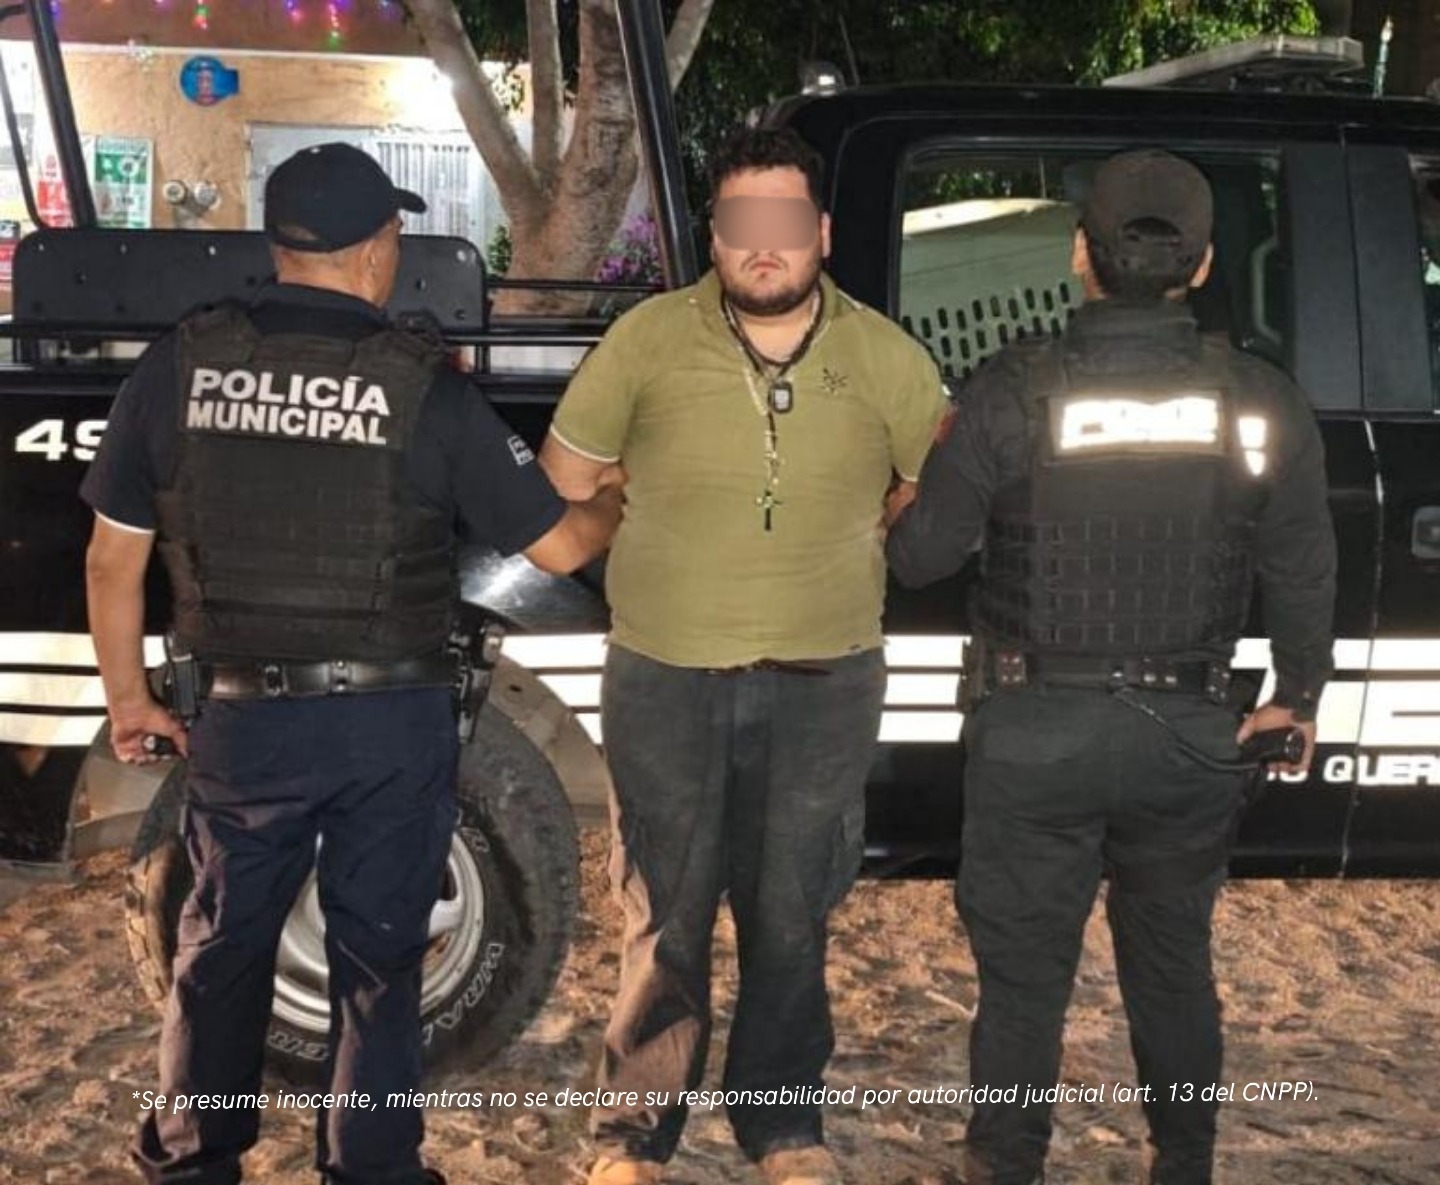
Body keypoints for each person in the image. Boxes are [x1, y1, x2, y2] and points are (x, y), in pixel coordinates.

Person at [81, 142, 622, 1185]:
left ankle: (193, 1160)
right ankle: (371, 1167)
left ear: (278, 245)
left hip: (241, 720)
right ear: (380, 247)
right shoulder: (420, 388)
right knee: (378, 960)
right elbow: (559, 546)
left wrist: (128, 699)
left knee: (222, 948)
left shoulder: (179, 367)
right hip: (387, 725)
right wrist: (614, 500)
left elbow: (113, 558)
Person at [887, 150, 1337, 1185]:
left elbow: (920, 559)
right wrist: (1296, 697)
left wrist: (903, 500)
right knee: (1174, 967)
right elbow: (1302, 566)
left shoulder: (1012, 392)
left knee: (1023, 985)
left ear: (1078, 254)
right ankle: (1184, 1164)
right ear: (1204, 263)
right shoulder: (1259, 400)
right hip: (1188, 735)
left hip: (1034, 730)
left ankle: (1006, 1166)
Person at [540, 126, 948, 1185]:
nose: (764, 245)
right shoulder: (645, 340)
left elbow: (931, 484)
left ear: (821, 232)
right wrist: (633, 495)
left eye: (785, 222)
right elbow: (566, 475)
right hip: (664, 675)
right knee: (664, 909)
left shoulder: (888, 356)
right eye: (740, 223)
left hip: (827, 681)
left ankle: (784, 1125)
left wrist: (859, 531)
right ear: (715, 236)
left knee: (793, 911)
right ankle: (635, 1132)